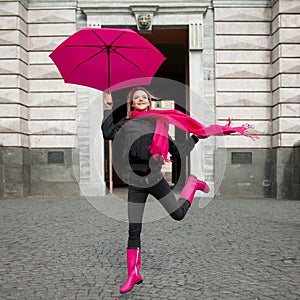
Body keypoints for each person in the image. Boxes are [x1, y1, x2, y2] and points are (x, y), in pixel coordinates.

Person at [101, 87, 210, 293]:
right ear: (131, 103)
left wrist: (195, 139)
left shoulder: (159, 124)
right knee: (134, 229)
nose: (141, 99)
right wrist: (108, 108)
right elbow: (107, 133)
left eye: (144, 97)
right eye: (136, 98)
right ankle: (133, 274)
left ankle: (193, 184)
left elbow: (179, 151)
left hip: (155, 179)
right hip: (135, 182)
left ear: (149, 102)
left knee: (178, 214)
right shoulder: (125, 124)